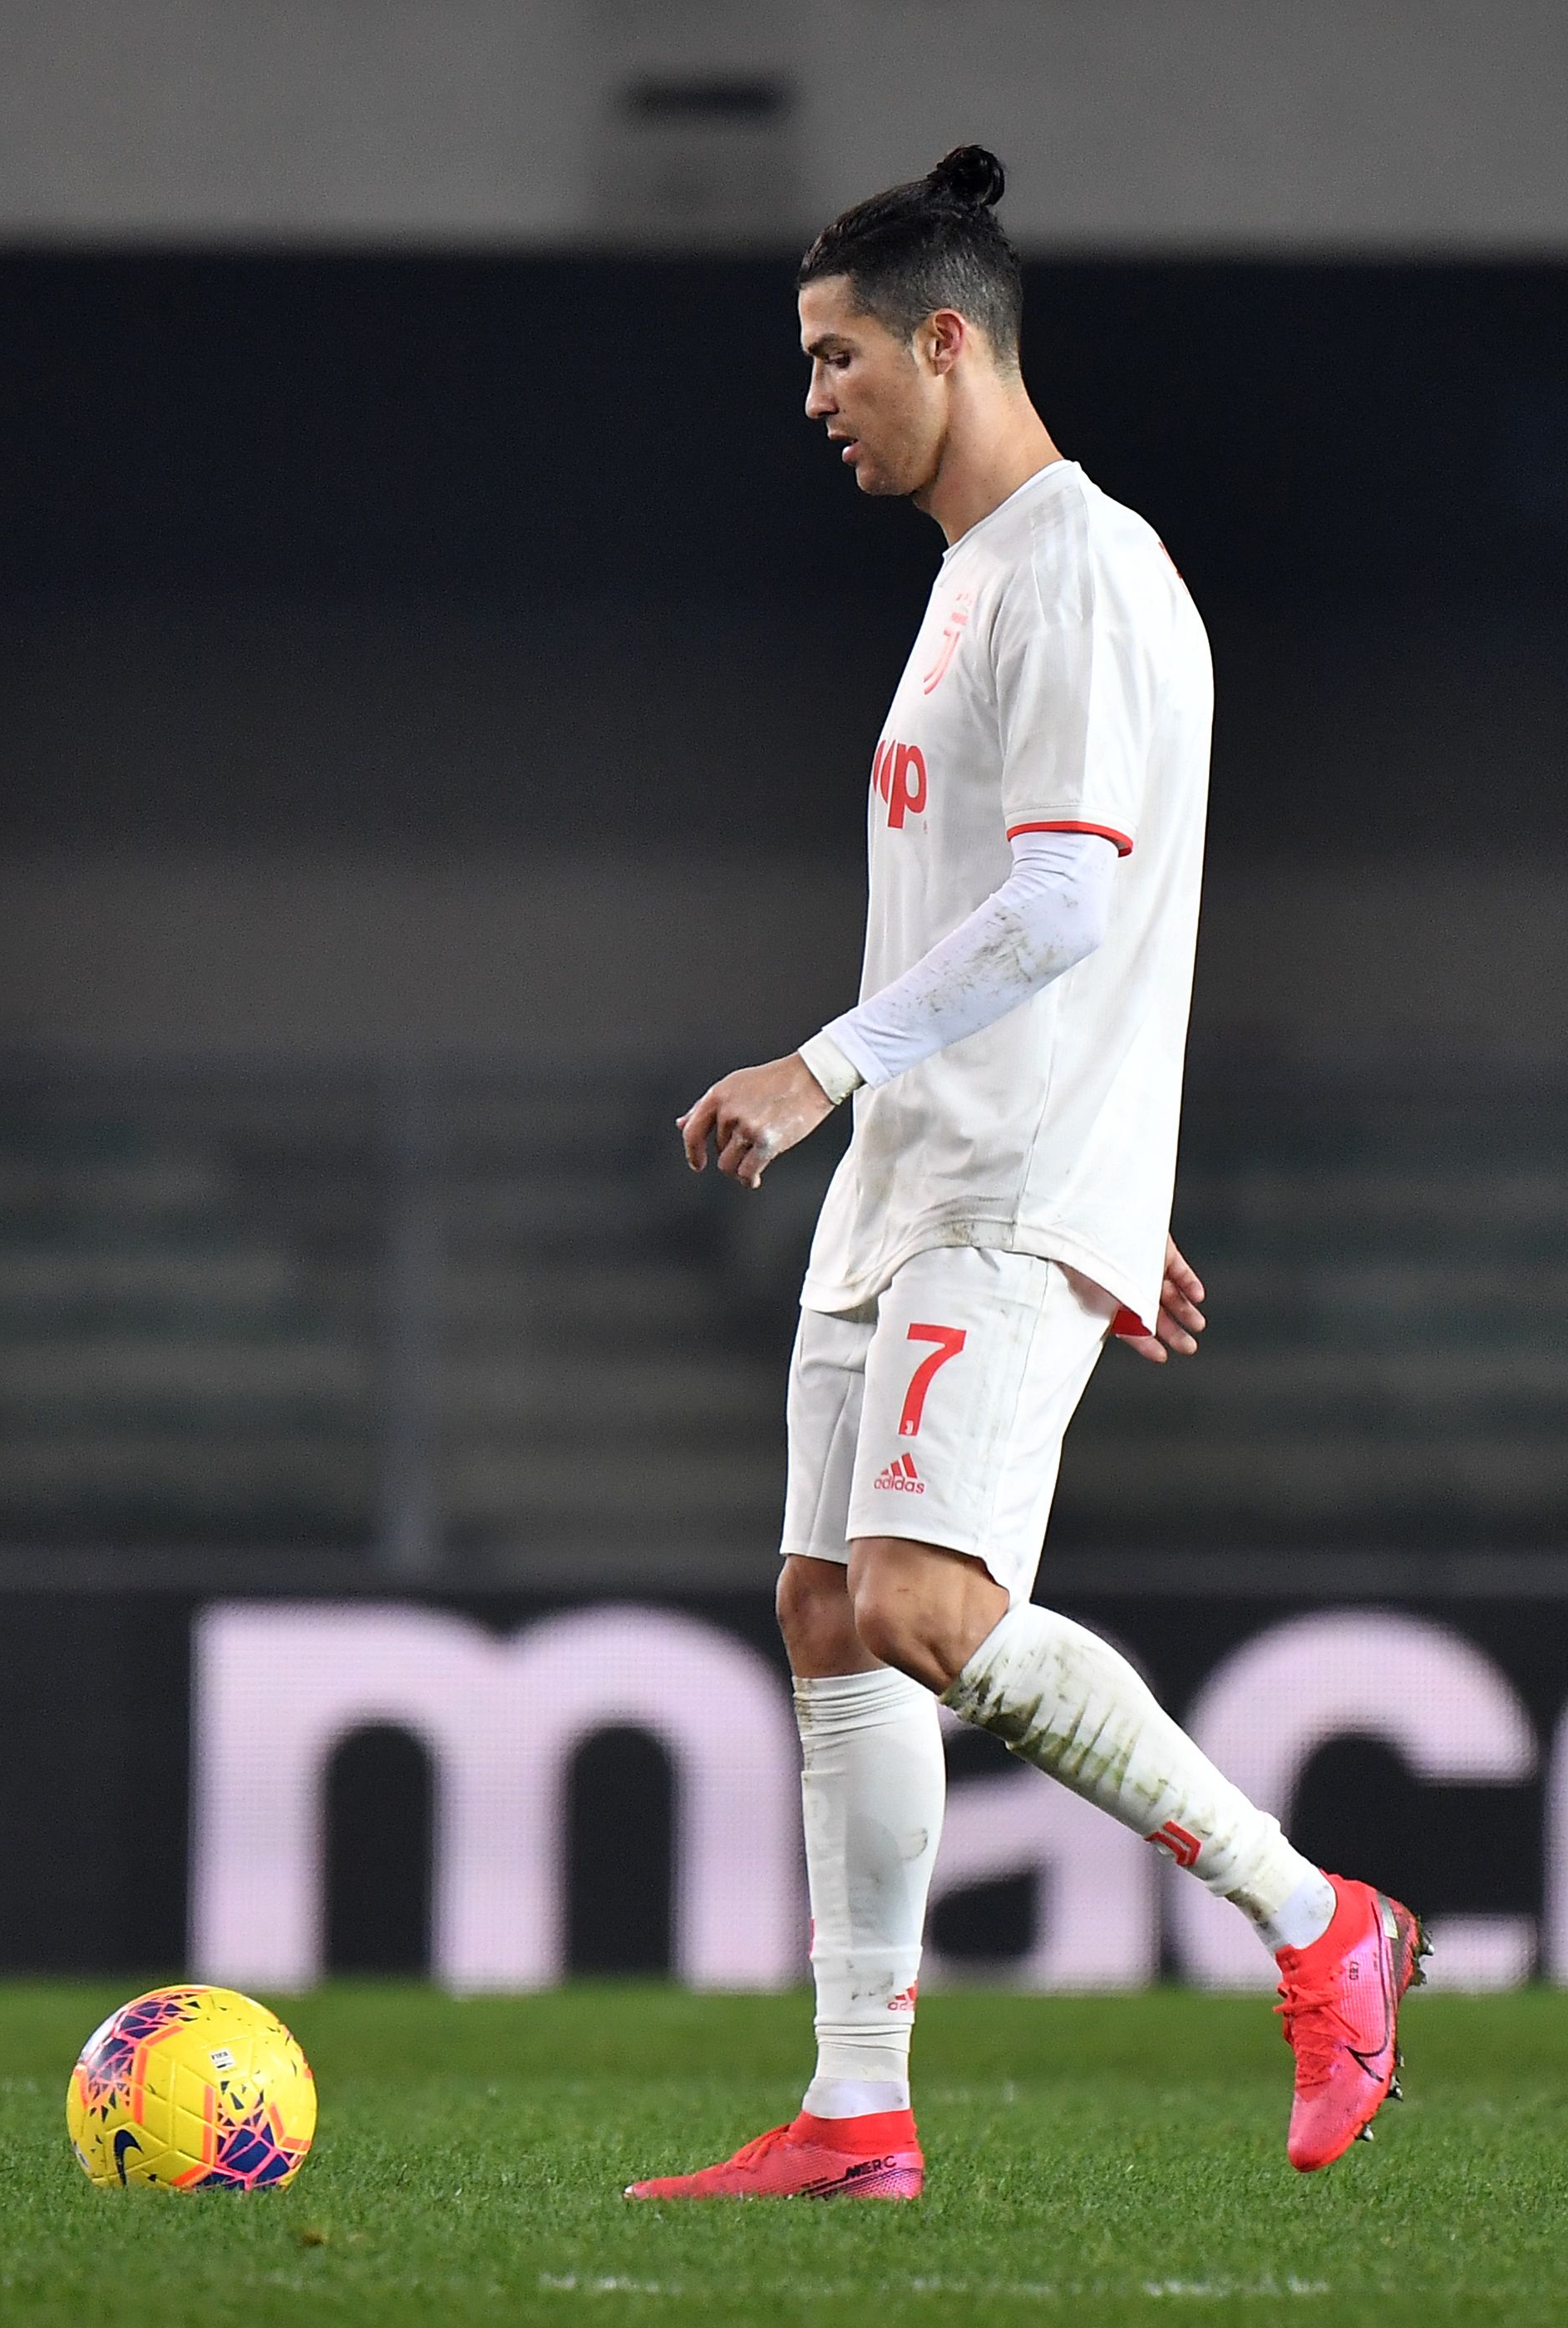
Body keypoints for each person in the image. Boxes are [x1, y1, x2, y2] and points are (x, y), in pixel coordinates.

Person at [634, 148, 1422, 2202]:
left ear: (948, 341)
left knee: (918, 1597)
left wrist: (825, 1064)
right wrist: (1095, 1150)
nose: (814, 398)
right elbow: (1041, 911)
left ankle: (1318, 1917)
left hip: (980, 1182)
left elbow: (1071, 901)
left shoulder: (1077, 571)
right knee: (822, 1605)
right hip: (938, 1171)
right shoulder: (973, 575)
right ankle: (855, 2108)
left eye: (836, 355)